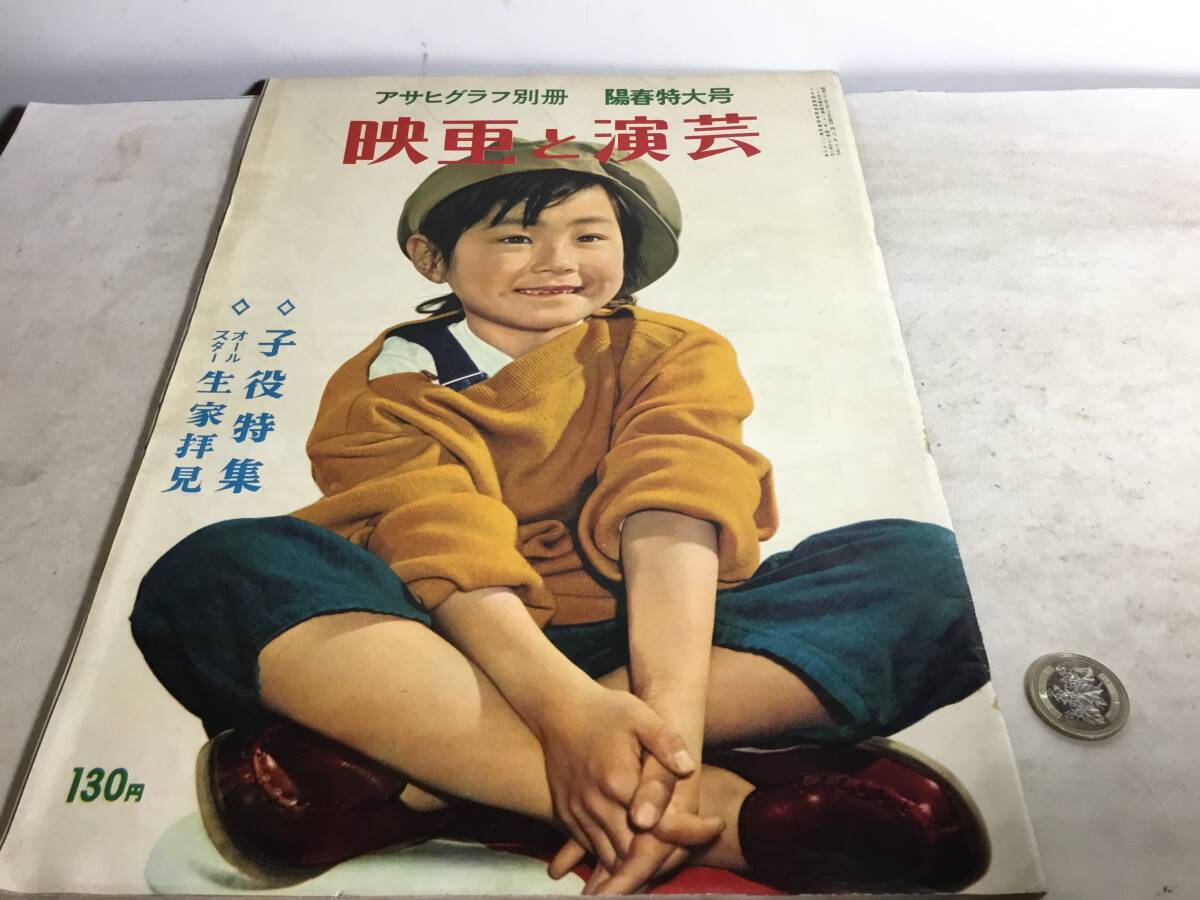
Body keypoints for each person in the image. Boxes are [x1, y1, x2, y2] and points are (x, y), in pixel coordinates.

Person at [132, 140, 991, 895]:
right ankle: (700, 814)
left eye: (589, 236)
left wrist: (663, 719)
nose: (557, 261)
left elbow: (674, 502)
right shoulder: (388, 380)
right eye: (515, 237)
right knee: (224, 569)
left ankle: (426, 783)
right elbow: (436, 537)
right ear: (433, 257)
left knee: (931, 572)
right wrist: (564, 714)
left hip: (665, 644)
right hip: (450, 646)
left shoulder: (672, 349)